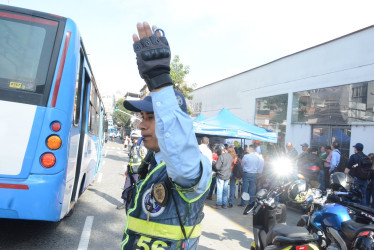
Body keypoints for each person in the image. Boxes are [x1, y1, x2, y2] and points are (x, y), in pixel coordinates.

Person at [120, 22, 211, 250]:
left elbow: (181, 161)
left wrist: (159, 82)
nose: (141, 125)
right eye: (142, 117)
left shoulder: (191, 166)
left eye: (151, 118)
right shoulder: (151, 161)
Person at [117, 131, 147, 210]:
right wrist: (127, 170)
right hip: (130, 172)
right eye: (133, 138)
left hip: (137, 173)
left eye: (136, 138)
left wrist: (144, 172)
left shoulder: (141, 148)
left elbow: (145, 160)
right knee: (126, 188)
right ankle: (125, 204)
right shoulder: (132, 147)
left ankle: (137, 206)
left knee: (138, 189)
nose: (134, 139)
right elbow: (130, 159)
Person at [213, 144, 232, 209]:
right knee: (225, 190)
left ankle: (219, 204)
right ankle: (225, 204)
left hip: (221, 175)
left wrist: (214, 164)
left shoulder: (221, 156)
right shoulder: (230, 156)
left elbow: (217, 167)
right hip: (227, 175)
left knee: (220, 190)